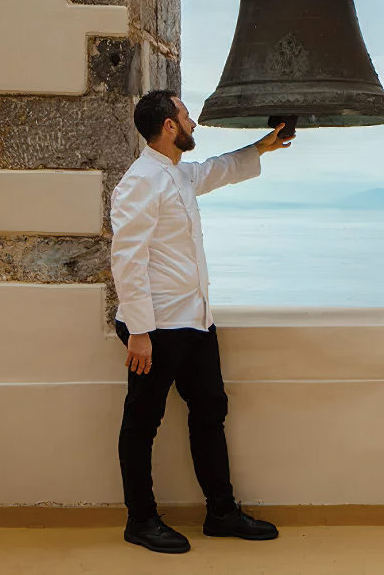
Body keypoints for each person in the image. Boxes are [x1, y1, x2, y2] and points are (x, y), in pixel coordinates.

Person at [109, 89, 292, 554]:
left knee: (210, 413)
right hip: (156, 327)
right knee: (141, 424)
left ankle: (221, 512)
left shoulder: (177, 174)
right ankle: (141, 520)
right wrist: (140, 333)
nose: (194, 123)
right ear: (169, 126)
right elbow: (127, 260)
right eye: (187, 116)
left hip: (194, 321)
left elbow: (215, 170)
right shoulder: (140, 182)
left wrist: (259, 149)